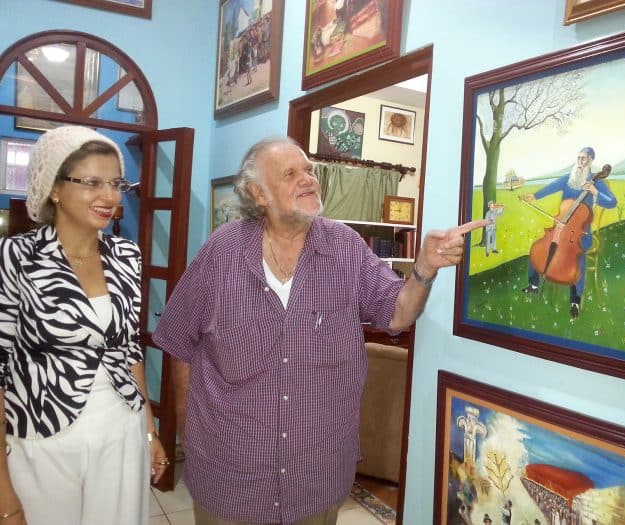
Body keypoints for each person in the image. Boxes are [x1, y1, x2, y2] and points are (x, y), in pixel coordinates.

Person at [153, 137, 490, 525]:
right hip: (230, 475)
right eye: (291, 173)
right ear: (256, 193)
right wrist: (190, 439)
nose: (308, 180)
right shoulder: (221, 252)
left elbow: (397, 314)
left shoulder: (346, 247)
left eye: (309, 170)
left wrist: (424, 269)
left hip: (316, 477)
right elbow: (180, 342)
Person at [0, 126, 167, 525]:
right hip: (42, 433)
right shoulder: (15, 257)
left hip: (120, 427)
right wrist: (4, 493)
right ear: (55, 188)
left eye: (115, 183)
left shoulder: (126, 255)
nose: (109, 196)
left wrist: (150, 431)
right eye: (92, 182)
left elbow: (128, 350)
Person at [520, 146, 617, 318]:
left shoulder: (596, 183)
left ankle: (575, 301)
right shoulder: (568, 179)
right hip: (559, 229)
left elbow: (612, 202)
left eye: (584, 159)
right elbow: (550, 187)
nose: (580, 162)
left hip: (579, 234)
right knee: (538, 248)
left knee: (577, 260)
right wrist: (534, 196)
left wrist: (595, 192)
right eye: (579, 158)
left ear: (590, 161)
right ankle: (533, 285)